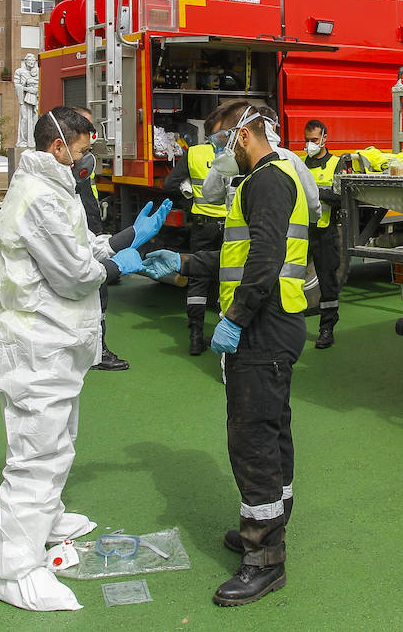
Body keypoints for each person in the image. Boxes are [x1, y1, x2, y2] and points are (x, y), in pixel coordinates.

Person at [0, 105, 168, 612]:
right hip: (38, 345)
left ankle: (49, 516)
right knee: (35, 458)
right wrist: (116, 267)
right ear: (59, 146)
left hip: (54, 346)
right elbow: (75, 274)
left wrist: (127, 239)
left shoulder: (53, 190)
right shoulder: (41, 196)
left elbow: (82, 248)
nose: (87, 161)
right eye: (83, 151)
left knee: (58, 441)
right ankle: (16, 571)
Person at [144, 102, 308, 607]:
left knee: (253, 439)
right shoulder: (269, 178)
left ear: (242, 136)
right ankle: (270, 525)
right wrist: (186, 260)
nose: (217, 153)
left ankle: (264, 559)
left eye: (219, 143)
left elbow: (264, 260)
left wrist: (234, 319)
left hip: (263, 327)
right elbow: (240, 253)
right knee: (270, 431)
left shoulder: (266, 181)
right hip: (275, 322)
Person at [163, 103, 235, 355]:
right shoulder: (236, 153)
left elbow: (170, 184)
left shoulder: (193, 153)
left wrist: (189, 197)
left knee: (198, 279)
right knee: (230, 277)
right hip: (230, 228)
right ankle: (229, 334)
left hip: (203, 227)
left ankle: (196, 335)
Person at [74, 107, 127, 371]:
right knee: (96, 292)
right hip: (82, 237)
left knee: (98, 293)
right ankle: (97, 352)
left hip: (90, 231)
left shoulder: (82, 162)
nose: (92, 134)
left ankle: (95, 348)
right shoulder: (70, 170)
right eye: (87, 127)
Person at [302, 119, 351, 349]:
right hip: (302, 233)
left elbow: (341, 196)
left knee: (327, 282)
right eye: (307, 140)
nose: (310, 144)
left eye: (314, 140)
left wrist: (315, 191)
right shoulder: (302, 164)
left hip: (325, 232)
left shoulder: (336, 163)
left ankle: (326, 328)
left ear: (324, 139)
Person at [13, 53, 39, 148]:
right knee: (24, 119)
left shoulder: (37, 72)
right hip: (24, 100)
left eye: (33, 61)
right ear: (25, 61)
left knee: (35, 119)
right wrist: (26, 89)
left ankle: (33, 140)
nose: (31, 62)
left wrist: (35, 90)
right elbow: (17, 85)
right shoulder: (19, 71)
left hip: (35, 99)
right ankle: (23, 140)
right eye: (29, 61)